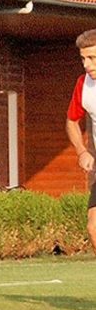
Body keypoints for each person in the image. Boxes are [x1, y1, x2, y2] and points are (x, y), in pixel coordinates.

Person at [65, 28, 96, 255]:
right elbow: (71, 121)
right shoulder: (83, 84)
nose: (86, 64)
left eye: (92, 58)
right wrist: (82, 151)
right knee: (94, 229)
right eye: (83, 59)